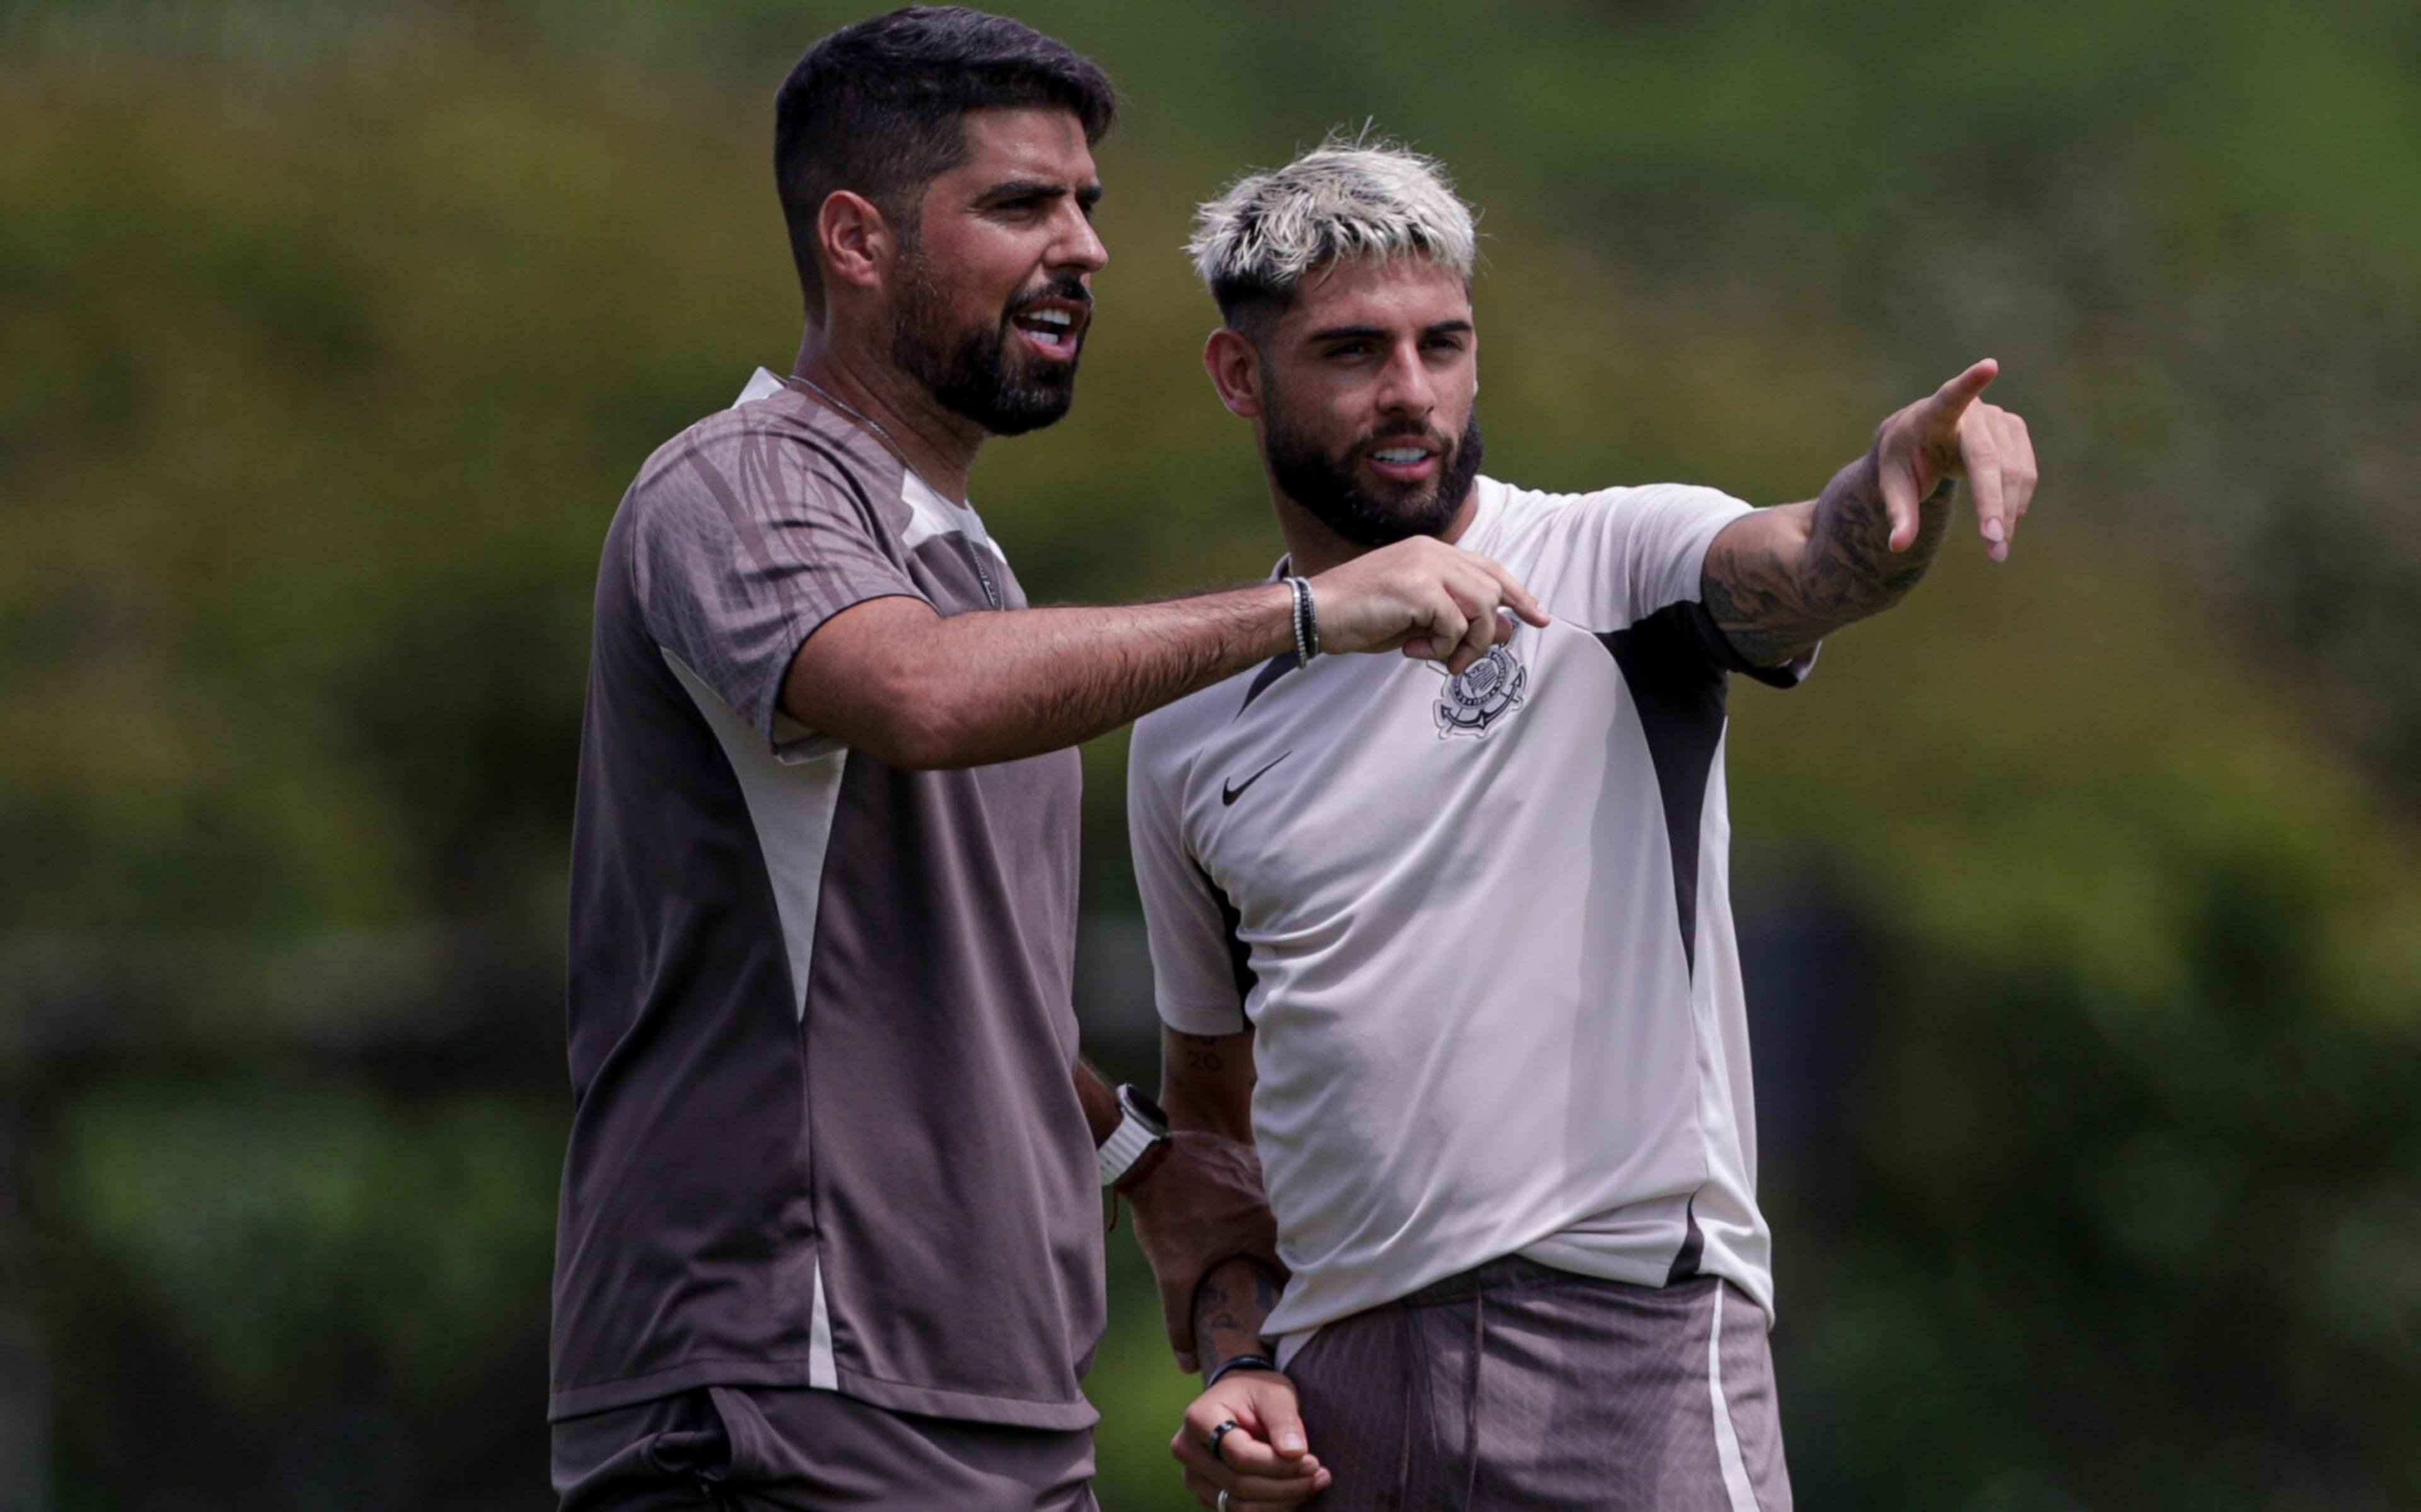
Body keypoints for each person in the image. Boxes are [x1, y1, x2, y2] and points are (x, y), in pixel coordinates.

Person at [547, 14, 1548, 1510]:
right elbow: (916, 696)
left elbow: (938, 983)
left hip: (992, 1403)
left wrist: (1140, 1156)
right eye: (1021, 206)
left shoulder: (971, 566)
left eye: (1089, 205)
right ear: (857, 238)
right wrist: (1304, 614)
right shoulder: (740, 483)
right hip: (781, 1387)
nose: (1082, 248)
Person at [1123, 137, 2039, 1511]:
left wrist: (1902, 480)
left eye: (1445, 343)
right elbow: (1213, 1111)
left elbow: (1803, 566)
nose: (1412, 393)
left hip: (1629, 1348)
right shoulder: (1189, 724)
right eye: (1355, 351)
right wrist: (1237, 1355)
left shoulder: (1612, 561)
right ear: (1239, 376)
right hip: (1337, 1407)